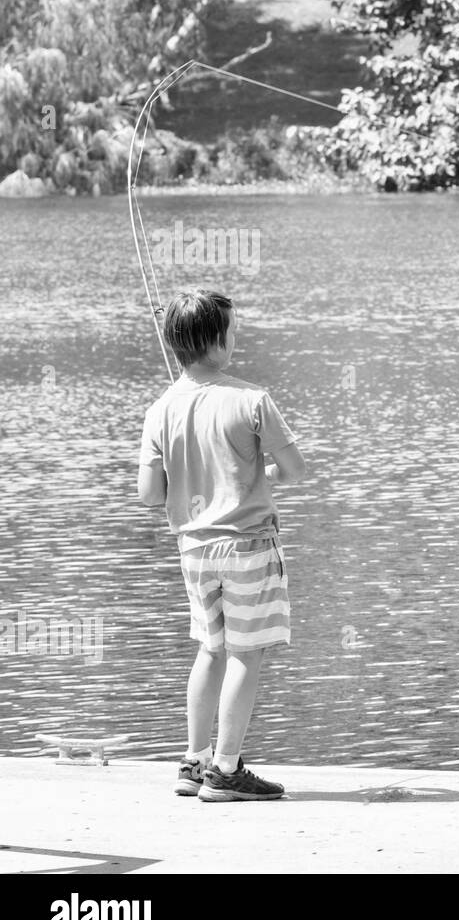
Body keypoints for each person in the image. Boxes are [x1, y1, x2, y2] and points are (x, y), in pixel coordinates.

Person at [137, 289, 305, 801]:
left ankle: (194, 761)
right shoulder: (252, 400)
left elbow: (150, 496)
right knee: (245, 654)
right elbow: (295, 470)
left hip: (193, 550)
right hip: (249, 547)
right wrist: (261, 474)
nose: (236, 338)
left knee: (209, 650)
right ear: (215, 339)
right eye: (232, 331)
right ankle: (226, 770)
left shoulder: (159, 409)